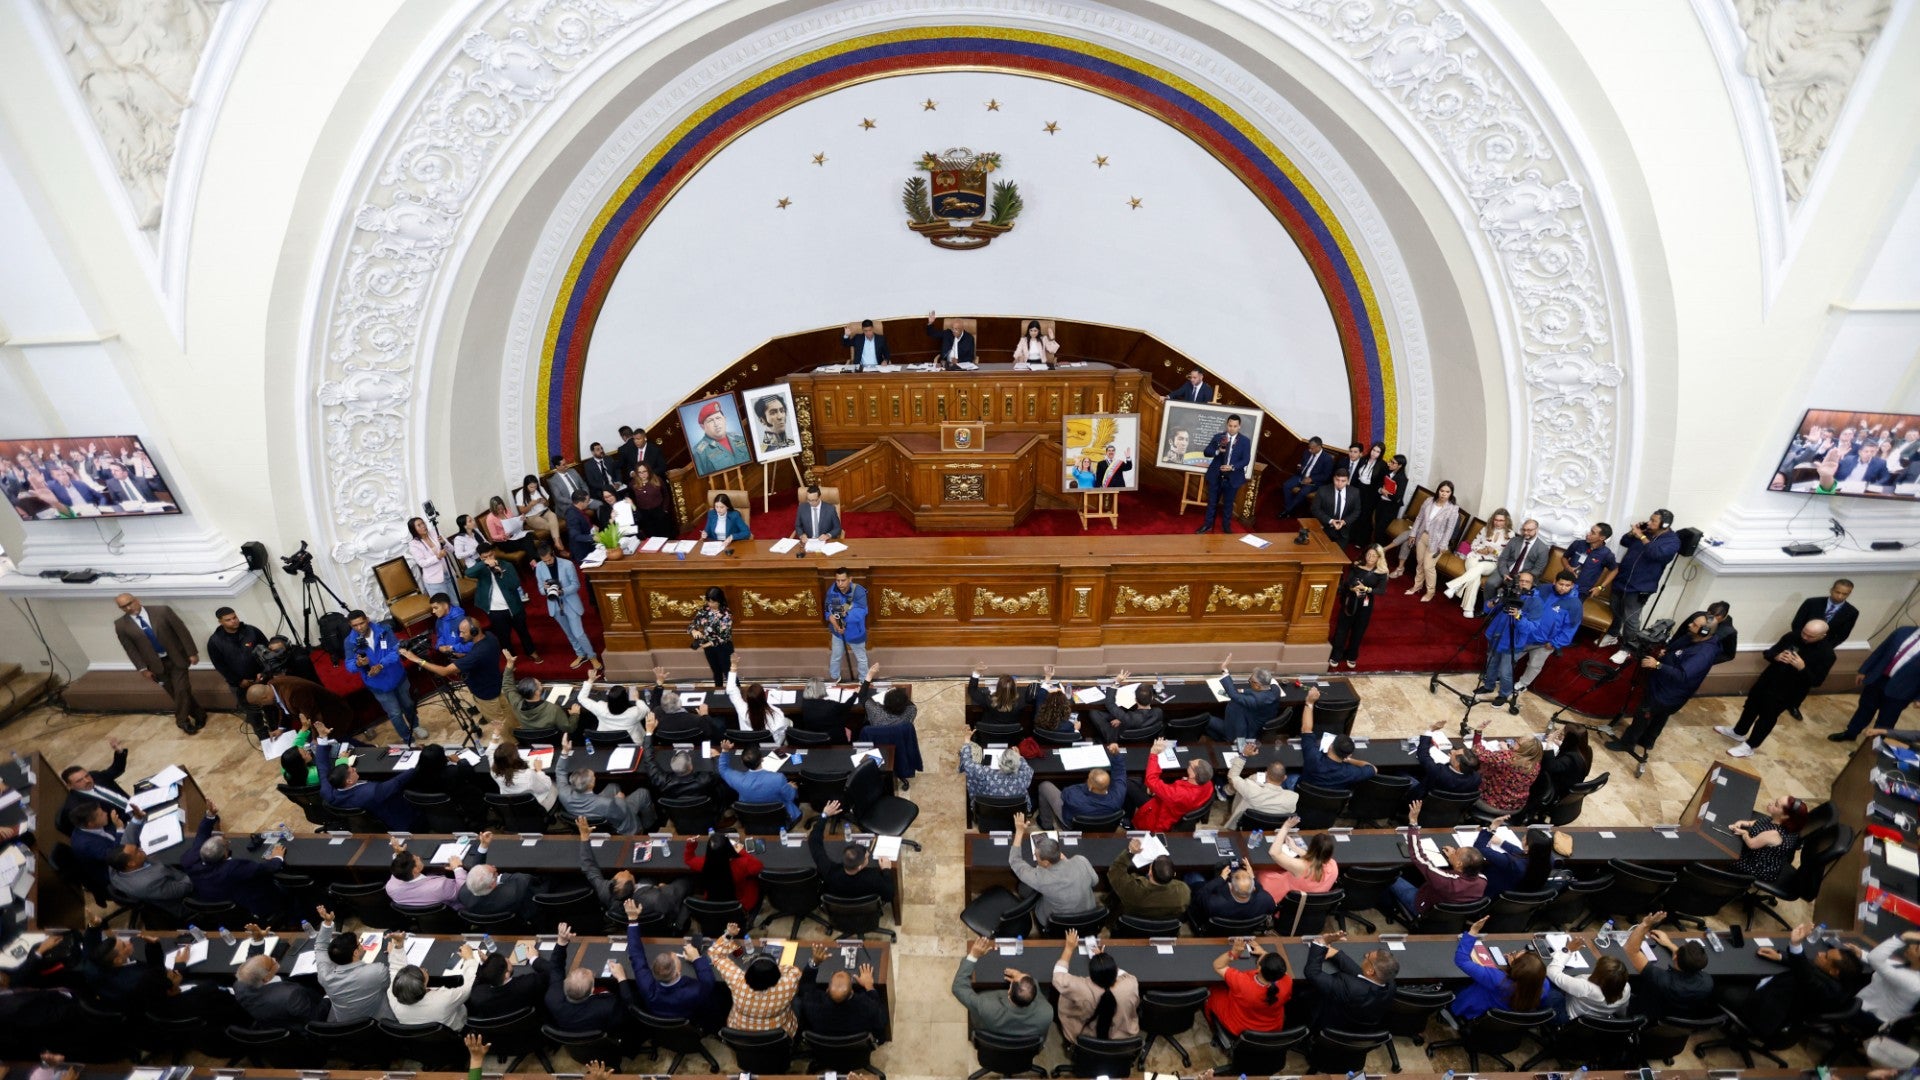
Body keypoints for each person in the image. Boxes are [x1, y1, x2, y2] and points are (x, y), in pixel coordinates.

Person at [1717, 620, 1835, 757]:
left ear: (1823, 635)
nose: (1804, 637)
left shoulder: (1827, 654)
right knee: (1751, 706)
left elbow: (1817, 681)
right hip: (1768, 680)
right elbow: (1769, 653)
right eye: (1804, 632)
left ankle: (1750, 746)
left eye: (1810, 636)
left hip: (1786, 692)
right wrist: (1776, 656)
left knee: (1767, 717)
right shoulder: (1792, 636)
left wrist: (1802, 668)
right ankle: (1738, 732)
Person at [1608, 613, 1718, 756]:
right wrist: (1666, 653)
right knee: (1660, 717)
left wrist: (1658, 665)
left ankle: (1627, 743)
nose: (1690, 625)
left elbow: (1682, 675)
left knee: (1643, 714)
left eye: (1695, 625)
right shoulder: (1693, 637)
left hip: (1667, 693)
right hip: (1665, 687)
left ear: (1705, 632)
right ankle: (1647, 741)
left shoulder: (1703, 653)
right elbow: (1677, 651)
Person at [1737, 923, 1866, 1035]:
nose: (1820, 953)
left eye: (1825, 956)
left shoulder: (1828, 991)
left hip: (1763, 1010)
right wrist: (1781, 957)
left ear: (1834, 971)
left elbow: (1807, 976)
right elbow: (1808, 967)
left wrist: (1796, 945)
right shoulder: (1840, 979)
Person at [112, 593, 206, 734]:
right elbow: (130, 649)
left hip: (176, 658)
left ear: (137, 600)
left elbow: (181, 631)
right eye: (124, 607)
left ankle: (181, 720)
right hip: (155, 665)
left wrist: (192, 652)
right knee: (176, 693)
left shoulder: (162, 611)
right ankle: (199, 715)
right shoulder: (120, 625)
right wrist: (142, 668)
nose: (129, 608)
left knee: (181, 689)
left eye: (130, 603)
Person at [573, 817, 693, 926]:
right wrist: (664, 888)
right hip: (660, 911)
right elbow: (671, 901)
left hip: (646, 901)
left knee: (649, 876)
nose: (625, 870)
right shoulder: (657, 898)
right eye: (627, 874)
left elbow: (589, 868)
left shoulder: (605, 890)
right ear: (634, 886)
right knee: (686, 880)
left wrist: (584, 838)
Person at [402, 618, 514, 729]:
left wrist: (416, 659)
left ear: (474, 632)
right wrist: (465, 657)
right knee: (509, 714)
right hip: (497, 684)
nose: (460, 635)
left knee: (500, 726)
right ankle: (517, 731)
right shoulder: (490, 637)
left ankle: (511, 744)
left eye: (463, 632)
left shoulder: (476, 655)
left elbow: (443, 671)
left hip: (486, 695)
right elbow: (482, 656)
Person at [181, 804, 287, 921]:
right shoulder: (232, 869)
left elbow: (201, 834)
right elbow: (268, 868)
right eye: (227, 845)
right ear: (224, 855)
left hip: (211, 898)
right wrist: (277, 857)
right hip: (245, 902)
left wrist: (210, 815)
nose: (229, 842)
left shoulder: (190, 859)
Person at [1388, 801, 1488, 919]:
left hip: (1422, 907)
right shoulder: (1482, 880)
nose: (1454, 850)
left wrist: (1413, 823)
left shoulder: (1444, 880)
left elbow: (1418, 856)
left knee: (1390, 875)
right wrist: (1453, 858)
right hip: (1450, 916)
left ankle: (1387, 906)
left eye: (1456, 852)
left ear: (1460, 863)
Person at [1598, 509, 1681, 648]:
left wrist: (1641, 536)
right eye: (1650, 519)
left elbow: (1655, 554)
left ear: (1665, 525)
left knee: (1631, 619)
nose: (1649, 522)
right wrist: (1633, 532)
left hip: (1640, 587)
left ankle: (1628, 648)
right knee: (1615, 609)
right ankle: (1613, 635)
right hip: (1622, 579)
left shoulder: (1672, 542)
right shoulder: (1647, 531)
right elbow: (1624, 541)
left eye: (1653, 521)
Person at [1451, 917, 1559, 1021]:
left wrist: (1473, 932)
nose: (1514, 953)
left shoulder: (1497, 979)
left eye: (1515, 955)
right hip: (1504, 1019)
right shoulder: (1543, 984)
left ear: (1515, 967)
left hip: (1476, 1011)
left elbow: (1461, 960)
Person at [313, 723, 417, 829]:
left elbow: (322, 766)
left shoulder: (327, 791)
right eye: (352, 770)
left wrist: (322, 737)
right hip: (397, 819)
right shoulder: (371, 791)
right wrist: (416, 765)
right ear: (349, 781)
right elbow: (396, 782)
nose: (354, 768)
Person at [344, 609, 421, 745]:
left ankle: (416, 726)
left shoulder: (384, 629)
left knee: (408, 704)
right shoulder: (350, 642)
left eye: (361, 623)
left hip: (397, 676)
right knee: (395, 713)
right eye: (354, 625)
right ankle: (406, 737)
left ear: (367, 619)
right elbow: (349, 666)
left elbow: (396, 650)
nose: (359, 627)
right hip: (377, 684)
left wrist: (381, 665)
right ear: (350, 625)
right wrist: (358, 663)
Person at [1831, 624, 1920, 742]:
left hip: (1903, 690)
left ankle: (1870, 747)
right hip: (1878, 678)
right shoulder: (1903, 631)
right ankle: (1850, 733)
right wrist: (1864, 670)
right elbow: (1881, 650)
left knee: (1886, 720)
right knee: (1864, 708)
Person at [1006, 813, 1097, 927]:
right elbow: (1095, 881)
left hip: (1057, 922)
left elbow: (1015, 861)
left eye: (1036, 855)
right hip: (1089, 916)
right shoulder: (1080, 860)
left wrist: (1019, 832)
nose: (1034, 854)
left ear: (1046, 862)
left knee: (1024, 888)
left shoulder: (1041, 878)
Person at [710, 922, 802, 1035]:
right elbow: (795, 971)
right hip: (778, 1035)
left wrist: (729, 934)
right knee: (797, 1002)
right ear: (777, 976)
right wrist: (777, 969)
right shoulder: (787, 985)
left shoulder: (737, 980)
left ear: (748, 973)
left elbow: (716, 955)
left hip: (739, 1035)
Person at [953, 936, 1053, 1039]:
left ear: (1009, 993)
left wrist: (973, 955)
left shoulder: (987, 1006)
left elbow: (958, 987)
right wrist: (1022, 978)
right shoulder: (1047, 1013)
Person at [1624, 910, 1715, 1021]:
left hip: (1646, 1017)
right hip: (1679, 1021)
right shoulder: (1707, 982)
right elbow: (1689, 961)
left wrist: (1645, 925)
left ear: (1675, 957)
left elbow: (1631, 950)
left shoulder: (1662, 979)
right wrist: (1668, 943)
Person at [538, 922, 630, 1030]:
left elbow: (556, 969)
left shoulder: (553, 998)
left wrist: (561, 942)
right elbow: (627, 1007)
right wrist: (622, 978)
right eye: (592, 976)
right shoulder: (607, 1006)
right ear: (592, 990)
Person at [1053, 930, 1139, 1045]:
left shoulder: (1081, 988)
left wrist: (1069, 948)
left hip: (1086, 1038)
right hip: (1121, 1040)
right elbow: (1122, 974)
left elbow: (1058, 976)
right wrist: (1104, 963)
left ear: (1091, 975)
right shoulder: (1130, 983)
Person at [1471, 570, 1543, 705]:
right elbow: (1489, 608)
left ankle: (1504, 694)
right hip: (1496, 635)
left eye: (1527, 582)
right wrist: (1492, 603)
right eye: (1521, 580)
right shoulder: (1508, 592)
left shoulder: (1536, 602)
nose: (1523, 584)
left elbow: (1532, 627)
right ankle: (1488, 686)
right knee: (1491, 663)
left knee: (1505, 672)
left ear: (1533, 585)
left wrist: (1518, 616)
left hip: (1513, 642)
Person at [312, 906, 394, 1021]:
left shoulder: (324, 976)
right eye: (359, 943)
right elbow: (393, 981)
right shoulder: (376, 971)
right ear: (355, 952)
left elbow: (320, 947)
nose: (361, 944)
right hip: (378, 1022)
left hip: (345, 1025)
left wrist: (327, 922)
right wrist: (394, 954)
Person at [557, 736, 654, 832]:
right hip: (616, 820)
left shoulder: (564, 793)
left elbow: (560, 771)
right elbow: (621, 814)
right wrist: (619, 799)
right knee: (643, 793)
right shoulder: (606, 803)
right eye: (593, 777)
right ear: (591, 785)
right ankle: (647, 826)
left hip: (588, 812)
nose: (594, 776)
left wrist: (565, 751)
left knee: (613, 787)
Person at [1302, 931, 1398, 1028]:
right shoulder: (1391, 985)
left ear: (1370, 970)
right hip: (1362, 1026)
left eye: (1368, 956)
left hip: (1334, 1025)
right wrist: (1337, 954)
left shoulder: (1349, 987)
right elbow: (1360, 975)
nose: (1365, 955)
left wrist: (1322, 942)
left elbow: (1312, 973)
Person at [795, 942, 888, 1039]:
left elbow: (805, 987)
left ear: (826, 990)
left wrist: (814, 963)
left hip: (823, 1046)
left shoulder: (812, 1006)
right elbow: (881, 1019)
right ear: (852, 992)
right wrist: (869, 986)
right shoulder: (867, 1007)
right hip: (855, 1048)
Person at [1513, 571, 1585, 695]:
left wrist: (1555, 643)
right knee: (1511, 656)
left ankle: (1523, 684)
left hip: (1545, 643)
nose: (1563, 588)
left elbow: (1570, 628)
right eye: (1561, 584)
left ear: (1572, 585)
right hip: (1525, 633)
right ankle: (1502, 675)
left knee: (1534, 665)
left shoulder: (1575, 604)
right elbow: (1527, 604)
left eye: (1567, 585)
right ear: (1554, 582)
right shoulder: (1542, 589)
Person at [809, 801, 896, 903]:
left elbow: (814, 840)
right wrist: (886, 870)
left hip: (838, 907)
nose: (868, 855)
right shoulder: (873, 878)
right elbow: (889, 896)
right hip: (865, 911)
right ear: (859, 867)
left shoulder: (829, 871)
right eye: (866, 857)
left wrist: (824, 815)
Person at [464, 544, 540, 658]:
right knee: (503, 637)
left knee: (523, 631)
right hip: (495, 609)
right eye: (485, 557)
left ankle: (531, 652)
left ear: (494, 553)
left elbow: (515, 584)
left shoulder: (506, 565)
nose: (489, 559)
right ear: (480, 557)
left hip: (513, 606)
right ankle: (511, 658)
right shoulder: (481, 569)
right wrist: (484, 564)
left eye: (491, 555)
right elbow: (468, 573)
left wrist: (501, 574)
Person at [532, 543, 599, 671]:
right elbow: (540, 589)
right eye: (544, 561)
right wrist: (546, 589)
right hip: (554, 604)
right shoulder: (539, 567)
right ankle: (580, 654)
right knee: (569, 633)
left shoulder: (567, 564)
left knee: (578, 633)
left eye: (549, 559)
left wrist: (562, 591)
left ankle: (591, 656)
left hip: (570, 602)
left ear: (553, 553)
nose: (547, 563)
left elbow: (576, 585)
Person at [1206, 938, 1291, 1036]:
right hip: (1272, 1029)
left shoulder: (1243, 983)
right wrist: (1262, 952)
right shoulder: (1287, 982)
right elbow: (1278, 970)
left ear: (1259, 968)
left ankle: (1213, 1027)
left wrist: (1233, 953)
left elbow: (1218, 966)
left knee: (1213, 992)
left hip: (1241, 1028)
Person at [106, 823, 194, 917]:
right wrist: (196, 871)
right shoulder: (149, 884)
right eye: (137, 852)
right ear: (131, 864)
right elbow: (185, 888)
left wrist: (137, 819)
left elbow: (127, 841)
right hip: (185, 899)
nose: (141, 849)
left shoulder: (115, 866)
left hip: (167, 874)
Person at [1298, 689, 1375, 791]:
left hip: (1302, 796)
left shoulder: (1313, 758)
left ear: (1330, 746)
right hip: (1329, 804)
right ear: (1348, 754)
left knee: (1291, 777)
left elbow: (1306, 729)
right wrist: (1349, 760)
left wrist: (1309, 702)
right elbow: (1373, 769)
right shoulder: (1350, 772)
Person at [1129, 738, 1213, 830]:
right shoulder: (1208, 784)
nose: (1189, 762)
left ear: (1193, 775)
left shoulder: (1179, 794)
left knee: (1129, 784)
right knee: (1136, 782)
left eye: (1191, 764)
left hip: (1158, 813)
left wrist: (1153, 754)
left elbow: (1151, 780)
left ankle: (1128, 821)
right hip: (1175, 806)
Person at [206, 606, 270, 727]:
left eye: (234, 617)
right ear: (220, 622)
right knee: (254, 716)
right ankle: (263, 738)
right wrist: (239, 681)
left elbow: (266, 649)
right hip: (240, 686)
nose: (233, 621)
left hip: (262, 678)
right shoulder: (215, 641)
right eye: (228, 620)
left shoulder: (252, 631)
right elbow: (220, 665)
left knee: (271, 709)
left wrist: (264, 671)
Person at [233, 949, 328, 1028]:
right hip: (301, 1025)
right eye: (270, 963)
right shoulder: (292, 996)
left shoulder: (238, 986)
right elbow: (316, 1017)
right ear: (266, 978)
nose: (274, 959)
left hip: (275, 1018)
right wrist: (328, 997)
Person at [1329, 545, 1389, 669]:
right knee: (1342, 628)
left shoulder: (1382, 572)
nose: (1370, 558)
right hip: (1351, 600)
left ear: (1379, 557)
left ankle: (1352, 655)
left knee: (1358, 631)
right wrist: (1353, 588)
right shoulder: (1357, 565)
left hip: (1366, 604)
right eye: (1368, 555)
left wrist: (1366, 589)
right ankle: (1336, 654)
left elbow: (1381, 591)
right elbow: (1348, 582)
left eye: (1374, 556)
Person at [1444, 508, 1513, 616]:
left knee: (1479, 568)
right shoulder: (1486, 529)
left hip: (1491, 562)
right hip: (1474, 557)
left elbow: (1506, 555)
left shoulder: (1510, 534)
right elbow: (1474, 544)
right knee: (1475, 576)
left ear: (1506, 521)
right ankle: (1468, 609)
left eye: (1501, 520)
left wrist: (1494, 551)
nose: (1497, 523)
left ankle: (1455, 585)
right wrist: (1480, 549)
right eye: (1496, 520)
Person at [716, 740, 802, 825]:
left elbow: (723, 769)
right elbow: (790, 797)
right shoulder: (778, 778)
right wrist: (792, 787)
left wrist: (725, 750)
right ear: (762, 759)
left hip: (751, 819)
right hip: (779, 819)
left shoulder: (737, 779)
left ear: (742, 762)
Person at [631, 939, 716, 1024]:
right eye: (677, 959)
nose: (675, 955)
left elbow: (637, 957)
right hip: (690, 1029)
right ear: (677, 972)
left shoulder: (646, 988)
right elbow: (708, 982)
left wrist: (632, 925)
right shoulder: (694, 991)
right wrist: (696, 958)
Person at [1547, 935, 1632, 1019]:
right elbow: (1622, 1012)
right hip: (1595, 1023)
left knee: (1546, 984)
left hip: (1568, 1017)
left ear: (1599, 975)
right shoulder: (1626, 989)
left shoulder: (1585, 987)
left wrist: (1567, 950)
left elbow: (1552, 972)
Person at [1728, 795, 1809, 884]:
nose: (1771, 803)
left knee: (1726, 857)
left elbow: (1751, 844)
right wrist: (1743, 823)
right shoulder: (1777, 819)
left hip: (1758, 866)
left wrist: (1745, 833)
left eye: (1776, 805)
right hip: (1762, 854)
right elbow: (1757, 822)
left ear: (1785, 816)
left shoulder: (1774, 833)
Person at [1468, 722, 1544, 815]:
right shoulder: (1535, 764)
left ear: (1523, 749)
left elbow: (1478, 751)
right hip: (1516, 807)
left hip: (1491, 803)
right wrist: (1507, 750)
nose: (1515, 742)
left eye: (1517, 742)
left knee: (1467, 777)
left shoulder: (1506, 758)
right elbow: (1514, 764)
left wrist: (1478, 732)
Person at [1259, 819, 1339, 904]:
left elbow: (1274, 853)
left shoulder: (1301, 866)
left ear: (1311, 847)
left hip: (1288, 901)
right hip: (1310, 904)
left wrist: (1285, 827)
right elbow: (1316, 859)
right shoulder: (1333, 865)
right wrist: (1295, 848)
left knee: (1261, 874)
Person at [1195, 414, 1253, 534]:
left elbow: (1246, 460)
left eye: (1235, 426)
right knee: (1212, 502)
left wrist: (1232, 467)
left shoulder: (1245, 441)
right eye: (1230, 425)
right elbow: (1207, 452)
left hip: (1233, 477)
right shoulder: (1218, 437)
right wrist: (1217, 451)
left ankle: (1226, 527)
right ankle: (1208, 525)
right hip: (1215, 475)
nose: (1232, 428)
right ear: (1227, 425)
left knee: (1228, 504)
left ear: (1239, 427)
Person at [1107, 836, 1190, 918]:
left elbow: (1114, 871)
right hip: (1162, 927)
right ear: (1174, 874)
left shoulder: (1131, 890)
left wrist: (1130, 852)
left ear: (1150, 872)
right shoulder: (1183, 892)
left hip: (1135, 924)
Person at [1851, 930, 1920, 1029]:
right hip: (1868, 1003)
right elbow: (1889, 965)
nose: (1911, 945)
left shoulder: (1913, 982)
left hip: (1870, 1017)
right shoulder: (1911, 969)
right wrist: (1862, 954)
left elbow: (1875, 959)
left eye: (1916, 948)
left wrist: (1903, 937)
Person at [683, 830, 764, 912]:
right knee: (753, 880)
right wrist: (738, 848)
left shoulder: (703, 863)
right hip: (738, 903)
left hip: (713, 902)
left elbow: (688, 859)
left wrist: (691, 844)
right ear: (729, 849)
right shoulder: (742, 864)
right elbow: (758, 866)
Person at [385, 835, 475, 908]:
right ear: (415, 870)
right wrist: (458, 868)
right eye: (416, 859)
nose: (418, 857)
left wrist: (399, 855)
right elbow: (464, 892)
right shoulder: (440, 886)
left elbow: (398, 869)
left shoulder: (391, 887)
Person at [465, 949, 549, 1023]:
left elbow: (479, 979)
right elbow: (551, 972)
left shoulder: (477, 996)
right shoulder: (528, 983)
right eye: (506, 962)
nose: (508, 959)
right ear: (506, 975)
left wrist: (490, 967)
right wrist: (534, 959)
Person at [1208, 658, 1281, 742]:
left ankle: (1225, 740)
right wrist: (1243, 691)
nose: (1249, 681)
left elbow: (1233, 695)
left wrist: (1224, 670)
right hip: (1256, 723)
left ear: (1257, 685)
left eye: (1251, 681)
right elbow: (1261, 693)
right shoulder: (1275, 690)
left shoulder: (1254, 701)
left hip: (1242, 733)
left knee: (1207, 720)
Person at [1220, 748, 1296, 828]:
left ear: (1266, 774)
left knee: (1252, 779)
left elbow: (1233, 776)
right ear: (1284, 778)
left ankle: (1227, 790)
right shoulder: (1293, 798)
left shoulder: (1250, 789)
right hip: (1271, 830)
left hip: (1244, 827)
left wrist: (1243, 756)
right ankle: (1228, 790)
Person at [1036, 764, 1128, 831]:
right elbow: (1120, 776)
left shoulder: (1074, 798)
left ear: (1090, 786)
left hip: (1071, 825)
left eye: (1089, 779)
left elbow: (1065, 792)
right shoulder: (1118, 796)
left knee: (1045, 786)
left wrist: (1086, 787)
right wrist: (1116, 755)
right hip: (1103, 827)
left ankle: (1046, 825)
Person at [725, 659, 793, 747]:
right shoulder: (777, 713)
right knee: (789, 723)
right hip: (770, 747)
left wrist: (733, 666)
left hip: (750, 745)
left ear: (747, 699)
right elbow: (780, 736)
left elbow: (731, 689)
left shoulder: (742, 709)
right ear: (764, 696)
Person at [1191, 864, 1276, 929]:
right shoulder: (1266, 900)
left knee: (1193, 877)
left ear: (1231, 887)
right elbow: (1262, 893)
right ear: (1253, 888)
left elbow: (1199, 896)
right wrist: (1252, 876)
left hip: (1215, 931)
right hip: (1245, 930)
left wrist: (1220, 879)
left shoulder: (1215, 903)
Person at [486, 739, 556, 811]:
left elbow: (490, 752)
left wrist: (495, 735)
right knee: (554, 782)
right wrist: (539, 771)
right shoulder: (527, 775)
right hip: (537, 805)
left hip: (513, 804)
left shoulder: (494, 771)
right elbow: (545, 787)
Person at [960, 740, 1033, 809]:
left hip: (987, 813)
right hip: (1016, 815)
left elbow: (967, 763)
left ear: (1000, 763)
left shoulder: (985, 774)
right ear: (1017, 764)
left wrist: (967, 743)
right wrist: (1018, 756)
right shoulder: (1025, 774)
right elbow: (1026, 767)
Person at [1277, 436, 1335, 520]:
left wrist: (1311, 479)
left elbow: (1326, 476)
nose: (1309, 450)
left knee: (1303, 492)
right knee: (1286, 485)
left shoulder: (1327, 459)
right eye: (1309, 448)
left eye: (1312, 448)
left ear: (1319, 447)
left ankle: (1287, 510)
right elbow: (1303, 463)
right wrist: (1300, 466)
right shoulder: (1307, 452)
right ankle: (1290, 508)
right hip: (1301, 476)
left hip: (1314, 481)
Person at [1412, 728, 1480, 799]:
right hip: (1446, 806)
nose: (1452, 751)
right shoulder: (1476, 778)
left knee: (1402, 774)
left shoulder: (1438, 771)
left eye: (1454, 753)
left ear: (1457, 764)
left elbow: (1423, 755)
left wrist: (1431, 730)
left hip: (1420, 799)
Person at [688, 586, 733, 685]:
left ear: (720, 600)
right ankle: (718, 692)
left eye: (713, 602)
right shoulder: (705, 610)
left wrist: (707, 644)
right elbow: (692, 624)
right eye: (709, 601)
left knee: (728, 673)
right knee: (716, 672)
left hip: (723, 647)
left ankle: (736, 691)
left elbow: (724, 637)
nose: (710, 604)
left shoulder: (726, 614)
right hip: (708, 648)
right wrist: (694, 631)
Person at [690, 401, 751, 474]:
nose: (716, 424)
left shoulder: (739, 438)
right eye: (710, 421)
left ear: (724, 419)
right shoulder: (698, 453)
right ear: (703, 426)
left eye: (718, 418)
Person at [1794, 578, 1859, 648]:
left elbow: (1843, 635)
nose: (1840, 596)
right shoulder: (1811, 603)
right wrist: (1803, 639)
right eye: (1837, 592)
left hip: (1825, 646)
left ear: (1849, 594)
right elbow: (1797, 623)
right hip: (1802, 640)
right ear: (1831, 590)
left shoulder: (1852, 612)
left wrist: (1827, 647)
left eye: (1845, 594)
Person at [403, 517, 453, 599]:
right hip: (434, 580)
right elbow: (422, 563)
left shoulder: (435, 533)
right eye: (419, 525)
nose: (423, 526)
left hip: (448, 573)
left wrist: (444, 543)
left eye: (423, 523)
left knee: (456, 602)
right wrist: (437, 557)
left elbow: (451, 549)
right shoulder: (414, 544)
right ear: (413, 529)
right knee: (443, 607)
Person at [512, 473, 566, 549]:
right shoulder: (520, 494)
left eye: (535, 486)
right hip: (532, 517)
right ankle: (560, 546)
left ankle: (557, 543)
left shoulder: (540, 488)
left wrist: (545, 502)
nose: (534, 489)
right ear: (525, 485)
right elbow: (522, 511)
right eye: (531, 487)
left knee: (553, 515)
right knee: (551, 525)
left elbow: (548, 504)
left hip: (545, 511)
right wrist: (530, 505)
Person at [1496, 518, 1551, 593]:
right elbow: (1503, 558)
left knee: (1515, 591)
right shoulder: (1514, 540)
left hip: (1524, 576)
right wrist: (1504, 572)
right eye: (1524, 529)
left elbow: (1538, 570)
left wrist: (1521, 577)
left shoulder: (1543, 549)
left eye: (1529, 530)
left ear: (1537, 530)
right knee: (1491, 584)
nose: (1525, 532)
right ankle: (1488, 604)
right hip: (1506, 570)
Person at [627, 463, 676, 539]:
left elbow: (666, 495)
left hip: (659, 512)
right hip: (645, 515)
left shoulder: (657, 480)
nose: (643, 474)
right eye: (640, 472)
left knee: (664, 535)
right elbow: (632, 499)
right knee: (651, 537)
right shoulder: (632, 484)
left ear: (649, 471)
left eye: (644, 471)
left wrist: (665, 509)